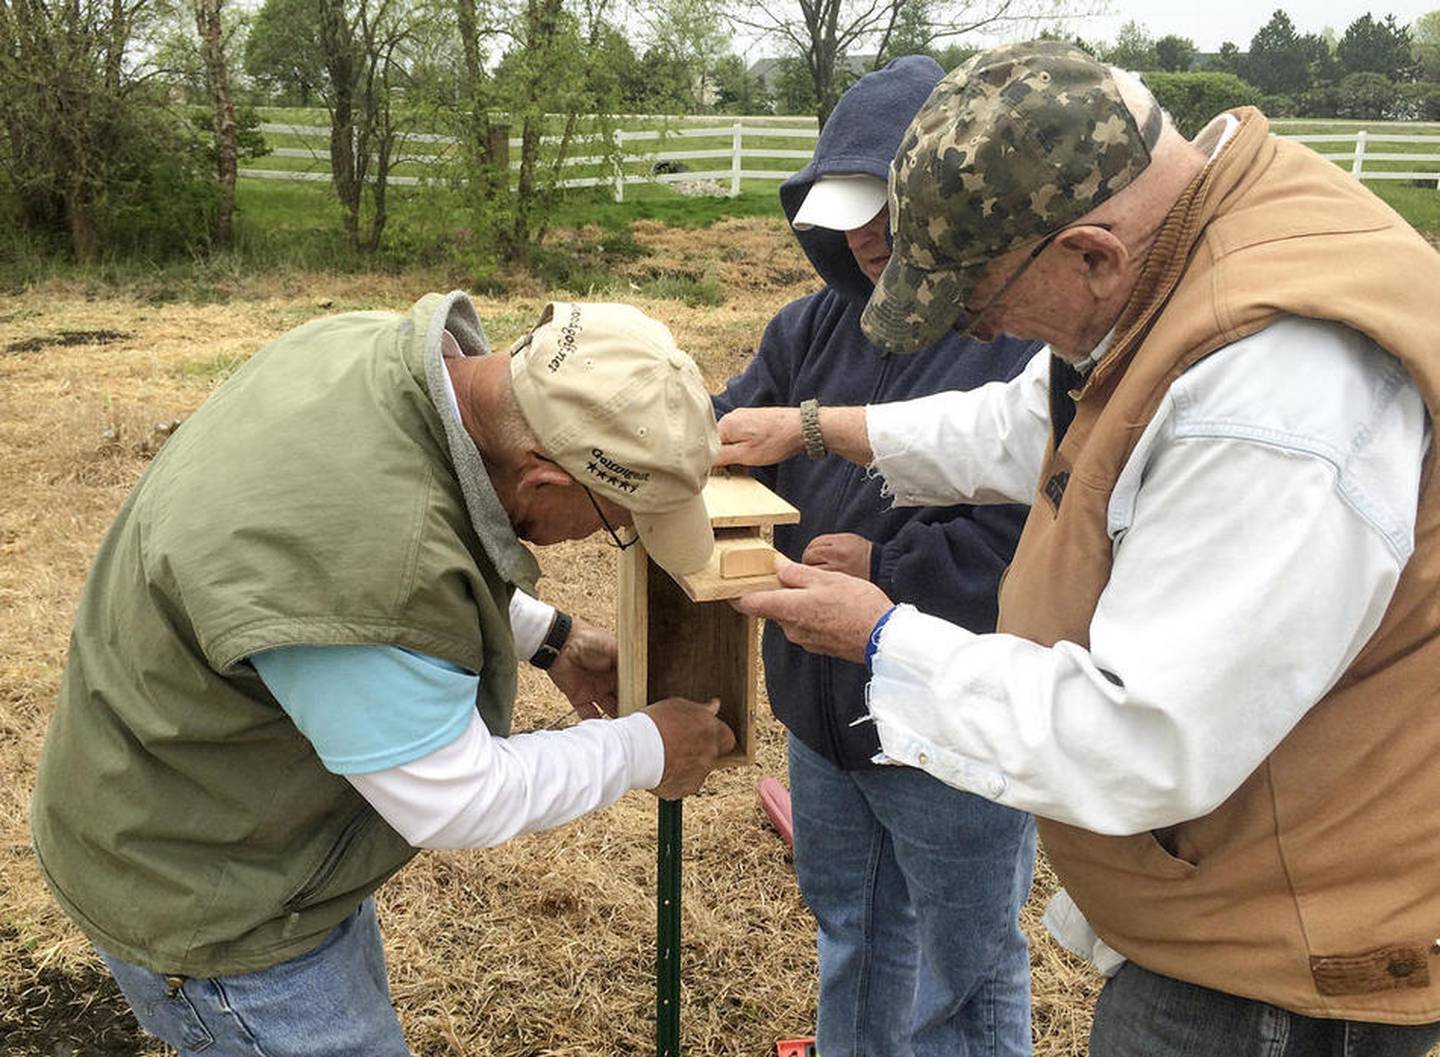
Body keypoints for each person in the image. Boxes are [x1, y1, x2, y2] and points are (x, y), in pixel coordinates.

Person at [718, 42, 1440, 1057]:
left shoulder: (1276, 396)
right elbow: (1033, 420)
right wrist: (820, 429)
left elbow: (1144, 736)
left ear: (1092, 255)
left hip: (1278, 964)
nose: (984, 330)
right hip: (1224, 904)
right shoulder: (1182, 252)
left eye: (988, 304)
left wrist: (884, 638)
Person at [30, 293, 736, 1057]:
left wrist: (551, 638)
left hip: (216, 800)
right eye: (615, 521)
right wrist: (647, 748)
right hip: (208, 893)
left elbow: (379, 582)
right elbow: (456, 795)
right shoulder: (368, 560)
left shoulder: (376, 360)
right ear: (543, 480)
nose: (611, 536)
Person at [711, 55, 1039, 1057]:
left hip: (948, 721)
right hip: (822, 709)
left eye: (881, 212)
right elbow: (732, 429)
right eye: (840, 213)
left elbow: (1031, 529)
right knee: (853, 932)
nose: (858, 236)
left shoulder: (1020, 338)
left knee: (967, 971)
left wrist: (893, 577)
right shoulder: (812, 324)